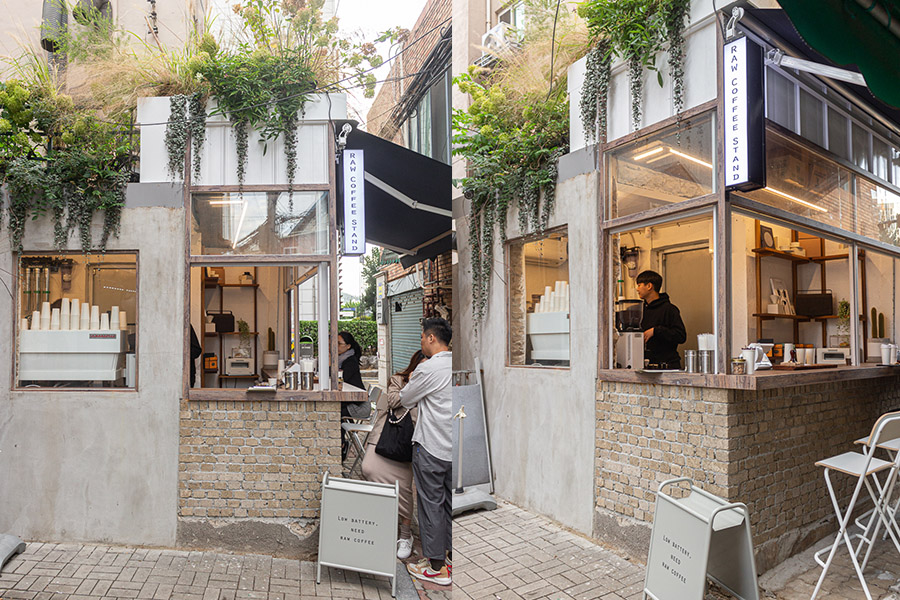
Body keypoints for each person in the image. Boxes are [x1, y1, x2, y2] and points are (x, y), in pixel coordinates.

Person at [400, 317, 452, 586]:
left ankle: (436, 568)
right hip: (456, 447)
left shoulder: (428, 369)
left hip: (431, 446)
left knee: (431, 506)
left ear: (431, 338)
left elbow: (406, 398)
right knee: (450, 505)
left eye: (422, 337)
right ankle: (450, 560)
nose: (420, 341)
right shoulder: (457, 363)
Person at [361, 350, 426, 560]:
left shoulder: (432, 384)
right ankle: (382, 524)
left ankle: (405, 535)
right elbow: (393, 401)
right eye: (422, 366)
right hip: (386, 436)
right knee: (368, 468)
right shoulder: (398, 380)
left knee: (404, 489)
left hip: (409, 441)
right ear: (415, 365)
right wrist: (415, 386)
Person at [636, 270, 687, 369]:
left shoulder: (669, 309)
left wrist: (656, 331)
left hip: (667, 367)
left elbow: (681, 336)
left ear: (649, 286)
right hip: (646, 367)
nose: (637, 289)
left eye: (639, 285)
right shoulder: (639, 310)